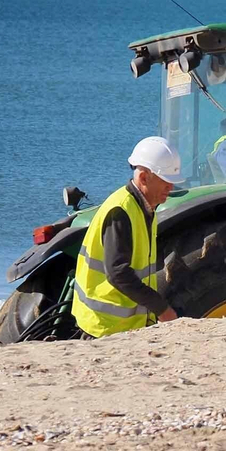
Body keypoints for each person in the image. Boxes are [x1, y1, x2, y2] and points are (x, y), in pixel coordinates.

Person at [71, 136, 182, 337]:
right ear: (144, 178)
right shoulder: (121, 211)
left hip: (121, 326)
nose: (171, 188)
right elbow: (118, 273)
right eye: (166, 181)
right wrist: (162, 309)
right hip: (105, 327)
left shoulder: (145, 207)